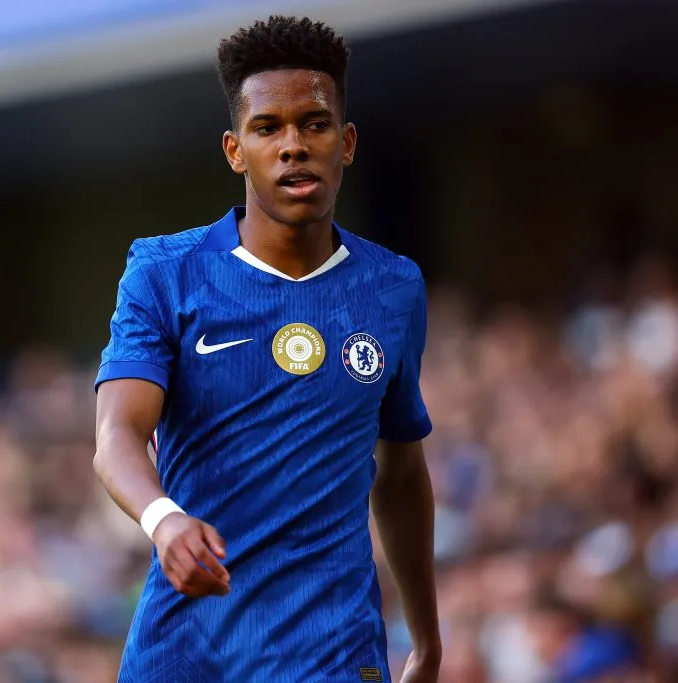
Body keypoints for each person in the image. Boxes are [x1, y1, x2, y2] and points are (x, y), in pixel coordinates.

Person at [93, 15, 441, 683]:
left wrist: (425, 641)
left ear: (346, 143)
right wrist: (165, 521)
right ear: (235, 150)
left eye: (314, 124)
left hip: (334, 652)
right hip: (187, 652)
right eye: (267, 127)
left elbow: (400, 475)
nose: (293, 146)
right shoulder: (164, 273)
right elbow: (116, 435)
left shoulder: (393, 286)